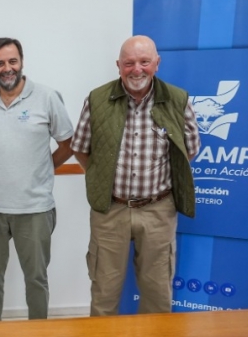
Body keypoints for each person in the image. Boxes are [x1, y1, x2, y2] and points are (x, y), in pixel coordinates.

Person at [71, 35, 200, 316]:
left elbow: (189, 150)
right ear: (118, 65)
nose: (137, 69)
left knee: (157, 294)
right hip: (110, 210)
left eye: (144, 62)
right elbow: (80, 149)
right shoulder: (97, 99)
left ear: (157, 63)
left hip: (158, 210)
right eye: (129, 63)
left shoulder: (178, 100)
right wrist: (102, 176)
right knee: (104, 291)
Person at [0, 38, 73, 321]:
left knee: (36, 280)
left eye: (12, 61)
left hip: (35, 209)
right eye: (0, 63)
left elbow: (67, 143)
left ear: (22, 62)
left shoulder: (48, 97)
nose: (7, 68)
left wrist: (42, 166)